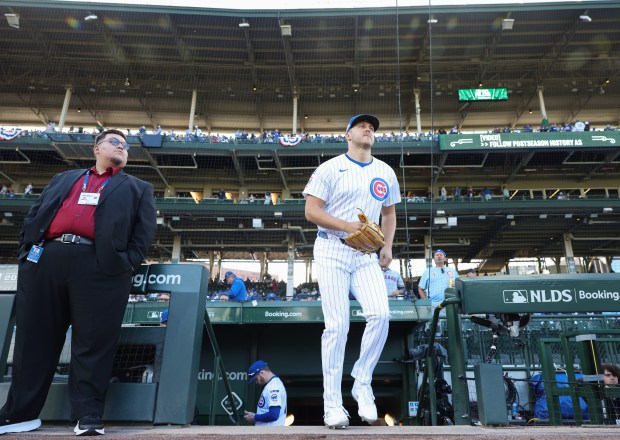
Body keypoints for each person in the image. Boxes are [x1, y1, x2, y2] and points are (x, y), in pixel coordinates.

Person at [0, 129, 157, 436]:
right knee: (34, 340)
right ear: (97, 148)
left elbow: (143, 234)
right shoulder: (64, 178)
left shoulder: (138, 188)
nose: (122, 147)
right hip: (47, 260)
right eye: (115, 142)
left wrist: (125, 264)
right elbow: (36, 214)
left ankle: (87, 416)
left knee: (93, 343)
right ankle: (19, 413)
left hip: (99, 266)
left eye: (126, 146)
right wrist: (27, 252)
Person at [303, 114, 400, 429]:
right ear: (347, 135)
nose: (368, 129)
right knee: (337, 326)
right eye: (362, 126)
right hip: (331, 248)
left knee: (381, 314)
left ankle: (362, 379)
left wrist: (386, 246)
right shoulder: (330, 168)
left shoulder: (385, 171)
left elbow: (389, 213)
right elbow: (311, 211)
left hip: (365, 254)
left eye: (372, 127)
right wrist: (346, 225)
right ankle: (332, 403)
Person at [243, 360, 287, 426]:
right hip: (268, 433)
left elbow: (274, 415)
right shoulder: (272, 384)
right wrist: (255, 415)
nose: (256, 382)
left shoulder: (273, 386)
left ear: (261, 373)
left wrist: (255, 417)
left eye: (256, 379)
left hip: (270, 433)